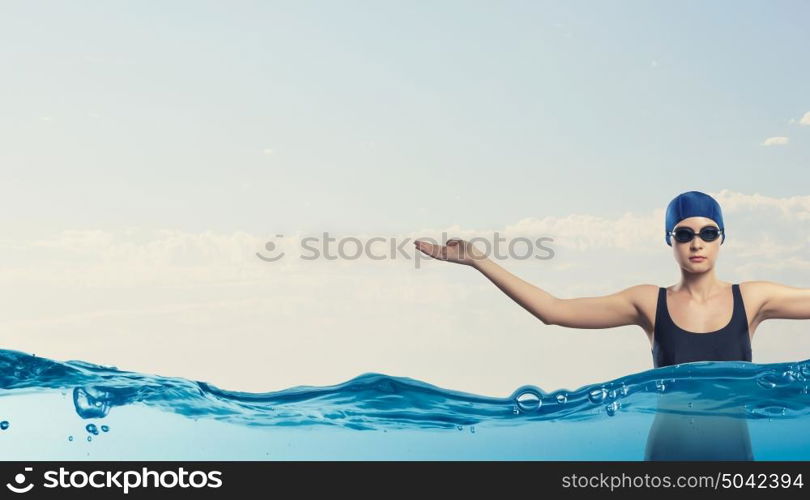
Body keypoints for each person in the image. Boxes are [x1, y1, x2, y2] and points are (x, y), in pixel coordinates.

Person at [414, 190, 810, 460]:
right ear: (670, 240)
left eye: (708, 232)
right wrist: (478, 260)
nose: (697, 243)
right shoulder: (648, 303)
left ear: (722, 238)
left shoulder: (753, 298)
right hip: (667, 458)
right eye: (684, 233)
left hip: (734, 462)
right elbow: (554, 310)